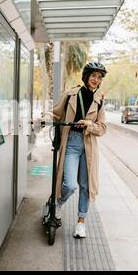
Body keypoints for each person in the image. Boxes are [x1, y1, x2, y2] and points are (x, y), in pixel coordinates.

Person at [50, 62, 108, 238]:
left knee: (85, 186)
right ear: (86, 76)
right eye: (93, 76)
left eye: (99, 77)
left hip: (89, 145)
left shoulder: (99, 101)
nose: (96, 80)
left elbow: (103, 128)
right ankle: (58, 204)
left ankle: (81, 224)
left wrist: (90, 124)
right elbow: (55, 113)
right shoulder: (70, 94)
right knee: (69, 184)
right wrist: (41, 118)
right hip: (72, 142)